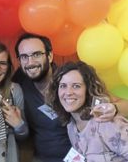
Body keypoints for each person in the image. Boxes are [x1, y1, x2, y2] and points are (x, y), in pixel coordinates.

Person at [12, 32, 123, 162]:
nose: (30, 62)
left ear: (50, 55)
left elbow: (123, 104)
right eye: (24, 56)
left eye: (36, 54)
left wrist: (113, 108)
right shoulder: (20, 85)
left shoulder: (70, 79)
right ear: (19, 61)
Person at [46, 61, 128, 161]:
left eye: (76, 86)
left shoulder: (106, 123)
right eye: (63, 86)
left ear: (88, 89)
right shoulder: (71, 127)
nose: (68, 92)